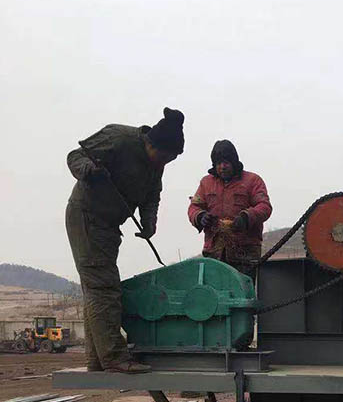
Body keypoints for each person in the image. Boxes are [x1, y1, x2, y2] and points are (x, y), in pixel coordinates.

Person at [66, 107, 185, 374]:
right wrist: (89, 170)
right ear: (150, 143)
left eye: (170, 160)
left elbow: (152, 196)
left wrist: (149, 222)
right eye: (163, 157)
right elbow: (75, 156)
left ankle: (97, 359)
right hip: (87, 217)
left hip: (110, 225)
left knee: (98, 289)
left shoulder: (156, 166)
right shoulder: (119, 138)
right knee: (103, 288)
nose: (164, 164)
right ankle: (114, 358)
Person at [187, 140, 272, 279]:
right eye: (218, 163)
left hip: (245, 255)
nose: (222, 167)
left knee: (243, 289)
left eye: (226, 162)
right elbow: (194, 207)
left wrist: (246, 217)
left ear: (234, 162)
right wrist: (200, 216)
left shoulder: (253, 181)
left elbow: (265, 206)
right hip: (214, 254)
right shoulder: (206, 183)